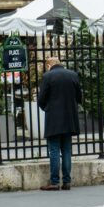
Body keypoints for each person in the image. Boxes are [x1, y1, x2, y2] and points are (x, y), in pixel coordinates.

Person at [37, 56, 82, 191]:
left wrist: (47, 108)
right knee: (67, 150)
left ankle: (54, 182)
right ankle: (67, 181)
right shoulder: (73, 75)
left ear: (49, 65)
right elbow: (79, 97)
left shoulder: (48, 76)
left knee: (54, 150)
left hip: (54, 119)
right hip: (69, 118)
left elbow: (41, 99)